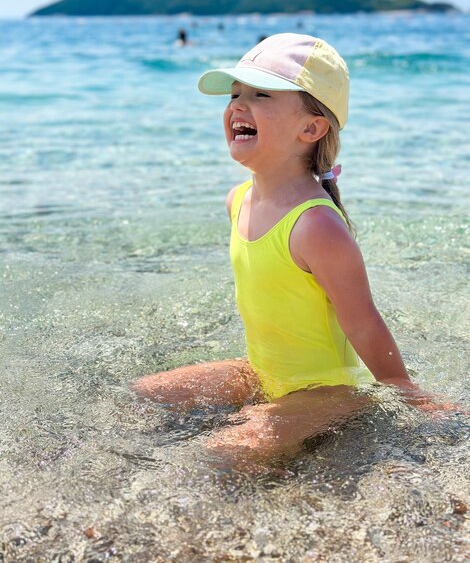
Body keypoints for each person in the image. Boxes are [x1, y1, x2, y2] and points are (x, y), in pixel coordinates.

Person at [132, 33, 453, 467]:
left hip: (325, 389)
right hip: (262, 371)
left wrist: (404, 391)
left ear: (311, 127)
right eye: (234, 94)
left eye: (260, 94)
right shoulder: (238, 199)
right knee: (143, 396)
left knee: (221, 453)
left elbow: (363, 323)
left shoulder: (315, 226)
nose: (237, 107)